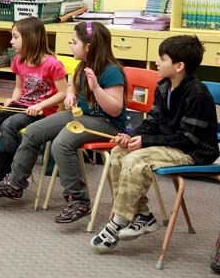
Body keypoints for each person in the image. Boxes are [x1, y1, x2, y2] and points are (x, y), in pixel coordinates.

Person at [0, 21, 127, 224]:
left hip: (106, 123)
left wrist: (96, 89)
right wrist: (70, 95)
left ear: (89, 46)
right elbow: (70, 85)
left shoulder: (111, 71)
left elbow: (115, 108)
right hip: (80, 117)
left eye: (74, 42)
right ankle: (14, 184)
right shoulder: (83, 65)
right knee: (32, 131)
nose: (71, 45)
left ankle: (78, 198)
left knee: (62, 143)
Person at [91, 35, 219, 252]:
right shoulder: (163, 87)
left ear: (179, 66)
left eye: (162, 59)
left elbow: (188, 139)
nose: (157, 63)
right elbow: (152, 122)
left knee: (136, 158)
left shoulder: (197, 95)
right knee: (119, 152)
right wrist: (131, 136)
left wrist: (146, 142)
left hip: (193, 151)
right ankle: (142, 215)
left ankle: (118, 222)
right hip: (168, 146)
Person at [0, 17, 68, 193]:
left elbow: (63, 92)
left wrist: (41, 105)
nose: (11, 41)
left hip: (41, 112)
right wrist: (11, 100)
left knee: (9, 126)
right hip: (21, 106)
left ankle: (5, 179)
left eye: (15, 37)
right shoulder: (19, 60)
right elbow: (19, 88)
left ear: (30, 38)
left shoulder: (52, 63)